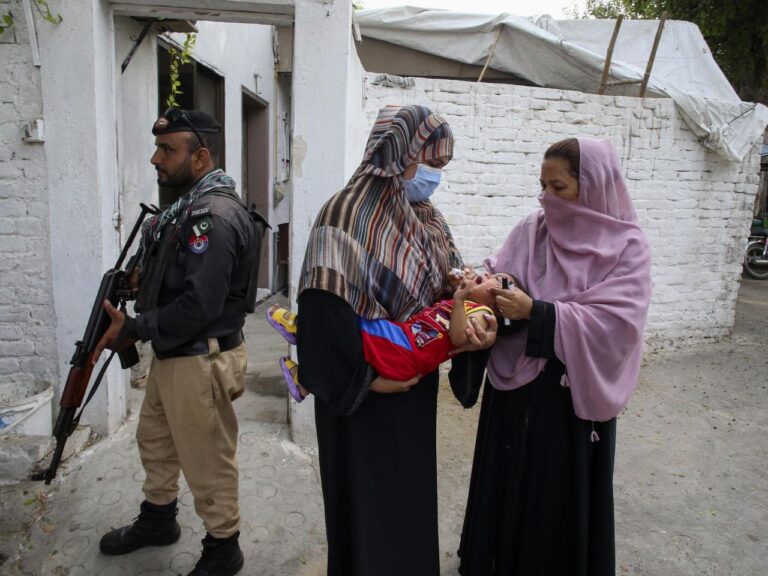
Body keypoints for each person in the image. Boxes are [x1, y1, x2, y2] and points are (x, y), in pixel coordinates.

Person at [296, 105, 497, 576]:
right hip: (359, 398)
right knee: (365, 516)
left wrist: (476, 315)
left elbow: (450, 286)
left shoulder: (426, 218)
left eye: (441, 168)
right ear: (398, 153)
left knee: (406, 505)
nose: (433, 177)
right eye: (430, 163)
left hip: (411, 388)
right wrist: (365, 381)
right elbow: (322, 316)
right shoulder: (343, 214)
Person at [453, 137, 652, 576]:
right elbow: (503, 270)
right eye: (542, 186)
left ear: (594, 187)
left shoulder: (627, 248)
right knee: (506, 481)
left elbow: (618, 327)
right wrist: (490, 289)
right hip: (513, 391)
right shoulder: (532, 229)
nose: (547, 198)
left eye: (559, 187)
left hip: (567, 404)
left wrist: (537, 312)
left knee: (553, 497)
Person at [92, 108, 264, 576]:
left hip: (201, 359)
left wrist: (134, 329)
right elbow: (176, 275)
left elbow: (201, 305)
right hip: (175, 355)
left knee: (207, 460)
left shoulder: (214, 215)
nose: (155, 158)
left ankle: (223, 549)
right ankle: (158, 520)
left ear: (201, 157)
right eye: (158, 148)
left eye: (168, 150)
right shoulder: (183, 210)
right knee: (157, 444)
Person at [267, 270, 511, 402]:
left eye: (498, 282)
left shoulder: (483, 314)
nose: (490, 275)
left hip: (406, 349)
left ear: (501, 306)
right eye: (492, 274)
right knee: (351, 335)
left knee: (352, 323)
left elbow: (458, 338)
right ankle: (304, 382)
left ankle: (301, 328)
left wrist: (459, 299)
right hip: (404, 341)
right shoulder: (468, 302)